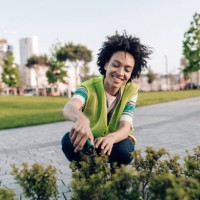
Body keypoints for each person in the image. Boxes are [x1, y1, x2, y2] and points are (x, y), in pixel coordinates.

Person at [61, 32, 152, 166]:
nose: (120, 73)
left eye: (127, 69)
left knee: (124, 149)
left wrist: (111, 137)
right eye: (116, 65)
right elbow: (69, 107)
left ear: (132, 73)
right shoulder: (88, 87)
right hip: (91, 141)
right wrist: (82, 119)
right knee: (68, 141)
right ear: (106, 65)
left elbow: (126, 127)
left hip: (116, 140)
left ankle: (116, 179)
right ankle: (89, 175)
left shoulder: (131, 90)